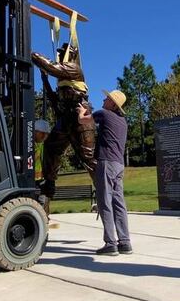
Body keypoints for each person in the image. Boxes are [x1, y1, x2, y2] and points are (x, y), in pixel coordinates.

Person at [32, 43, 97, 213]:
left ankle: (106, 192)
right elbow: (56, 98)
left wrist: (33, 55)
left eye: (62, 53)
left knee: (89, 157)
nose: (59, 55)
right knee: (51, 149)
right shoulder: (62, 78)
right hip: (66, 118)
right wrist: (44, 79)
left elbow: (51, 67)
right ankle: (46, 193)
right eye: (60, 53)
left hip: (79, 116)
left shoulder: (73, 68)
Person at [79, 89, 131, 256]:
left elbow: (83, 121)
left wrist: (81, 111)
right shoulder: (123, 121)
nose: (103, 99)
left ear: (113, 104)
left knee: (104, 202)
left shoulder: (104, 114)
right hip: (119, 165)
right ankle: (125, 242)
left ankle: (110, 243)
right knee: (119, 203)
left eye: (107, 98)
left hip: (106, 163)